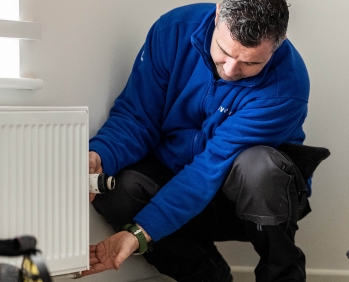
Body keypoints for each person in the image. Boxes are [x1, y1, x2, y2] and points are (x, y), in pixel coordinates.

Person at [83, 0, 329, 281]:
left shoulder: (286, 87)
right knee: (115, 190)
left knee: (260, 167)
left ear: (278, 43)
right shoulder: (172, 31)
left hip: (245, 203)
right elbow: (138, 117)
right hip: (177, 181)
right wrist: (99, 155)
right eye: (224, 51)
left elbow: (208, 168)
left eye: (251, 62)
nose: (230, 70)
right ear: (217, 12)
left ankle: (283, 275)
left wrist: (138, 233)